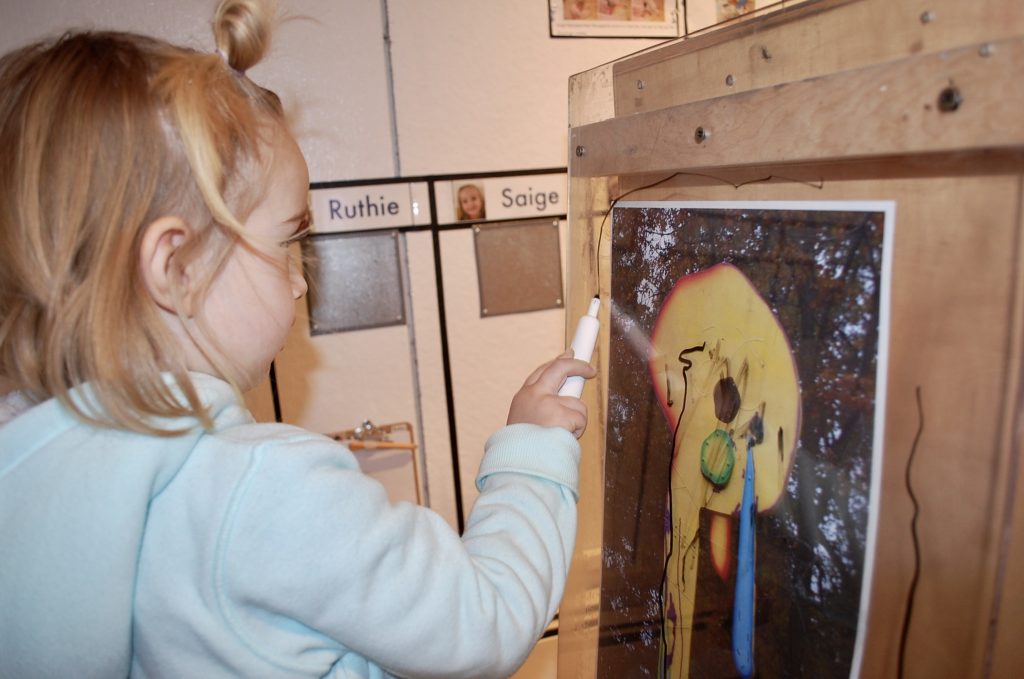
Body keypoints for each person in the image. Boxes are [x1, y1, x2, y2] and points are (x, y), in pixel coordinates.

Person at [0, 2, 596, 678]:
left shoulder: (30, 481)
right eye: (287, 243)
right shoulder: (263, 490)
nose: (300, 283)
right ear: (176, 267)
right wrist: (529, 456)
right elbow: (484, 621)